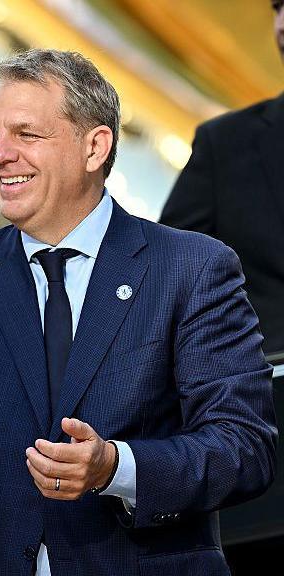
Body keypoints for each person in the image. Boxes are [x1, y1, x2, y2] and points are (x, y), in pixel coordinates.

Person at [0, 49, 277, 575]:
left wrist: (116, 467)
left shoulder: (192, 269)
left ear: (94, 147)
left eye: (27, 135)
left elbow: (244, 448)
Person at [160, 1, 284, 357]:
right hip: (254, 399)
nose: (282, 23)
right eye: (277, 7)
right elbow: (166, 280)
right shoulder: (225, 143)